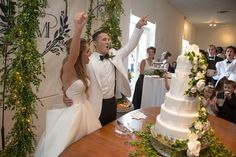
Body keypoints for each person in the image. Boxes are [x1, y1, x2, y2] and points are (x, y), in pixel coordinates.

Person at [34, 12, 101, 157]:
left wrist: (65, 93)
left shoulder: (82, 69)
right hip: (73, 116)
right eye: (88, 51)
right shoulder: (69, 68)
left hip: (86, 111)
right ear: (80, 54)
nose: (90, 54)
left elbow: (73, 89)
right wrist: (78, 30)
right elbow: (73, 55)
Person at [64, 15, 148, 126]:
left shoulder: (114, 55)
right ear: (95, 43)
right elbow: (73, 77)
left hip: (112, 102)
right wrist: (66, 95)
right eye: (104, 39)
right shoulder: (88, 60)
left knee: (110, 130)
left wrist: (137, 27)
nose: (108, 41)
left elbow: (129, 46)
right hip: (95, 104)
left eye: (108, 39)